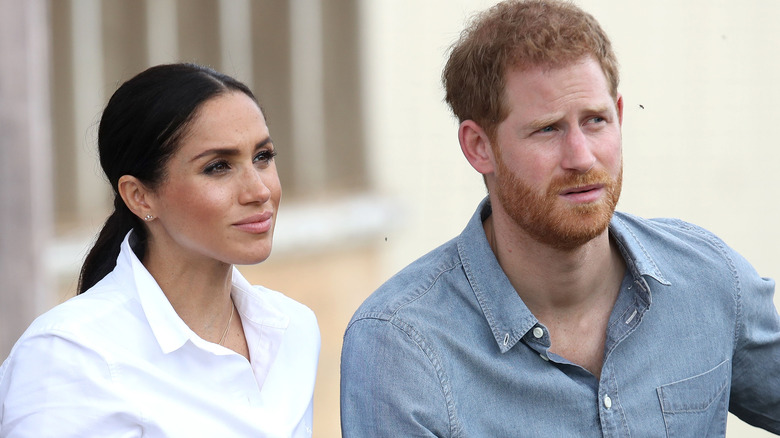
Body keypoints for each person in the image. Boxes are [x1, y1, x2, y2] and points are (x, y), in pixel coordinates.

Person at [340, 0, 780, 436]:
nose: (581, 156)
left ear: (620, 116)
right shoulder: (401, 346)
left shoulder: (710, 282)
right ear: (478, 146)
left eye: (595, 121)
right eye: (548, 129)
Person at [0, 63, 320, 437]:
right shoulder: (71, 356)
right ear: (139, 196)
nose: (259, 191)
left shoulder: (292, 328)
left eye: (262, 157)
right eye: (218, 166)